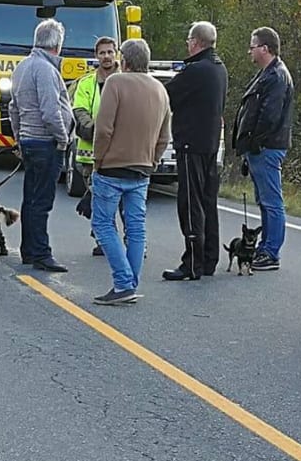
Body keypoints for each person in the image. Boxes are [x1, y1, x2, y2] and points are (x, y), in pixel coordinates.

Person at [89, 37, 171, 306]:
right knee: (136, 228)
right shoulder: (160, 90)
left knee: (103, 224)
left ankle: (123, 283)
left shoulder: (115, 83)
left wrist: (98, 160)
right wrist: (153, 161)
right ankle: (130, 284)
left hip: (112, 166)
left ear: (124, 60)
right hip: (142, 168)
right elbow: (164, 136)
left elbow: (103, 129)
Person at [163, 21, 229, 281]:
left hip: (191, 144)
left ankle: (192, 262)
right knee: (208, 202)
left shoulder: (196, 70)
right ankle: (209, 258)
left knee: (190, 204)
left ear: (196, 42)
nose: (187, 45)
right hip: (210, 143)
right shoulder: (219, 68)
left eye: (189, 40)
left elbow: (166, 95)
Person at [9, 18, 73, 273]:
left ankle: (28, 249)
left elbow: (13, 108)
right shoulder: (46, 70)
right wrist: (63, 138)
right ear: (57, 44)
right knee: (42, 201)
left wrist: (19, 137)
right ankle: (41, 253)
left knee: (30, 198)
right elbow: (50, 111)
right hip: (46, 142)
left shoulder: (22, 67)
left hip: (29, 139)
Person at [231, 26, 294, 272]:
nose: (250, 51)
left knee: (271, 201)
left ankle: (271, 251)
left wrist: (254, 142)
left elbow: (270, 116)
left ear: (265, 48)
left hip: (267, 147)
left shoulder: (277, 77)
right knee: (265, 200)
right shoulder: (266, 74)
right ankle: (265, 246)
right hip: (260, 147)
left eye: (253, 46)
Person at [72, 37, 121, 257]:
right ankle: (104, 241)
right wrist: (99, 131)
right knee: (100, 202)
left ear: (116, 53)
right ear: (96, 56)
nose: (107, 56)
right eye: (102, 53)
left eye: (110, 52)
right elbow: (79, 112)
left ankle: (133, 241)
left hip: (120, 154)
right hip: (90, 156)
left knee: (124, 202)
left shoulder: (125, 80)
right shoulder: (86, 83)